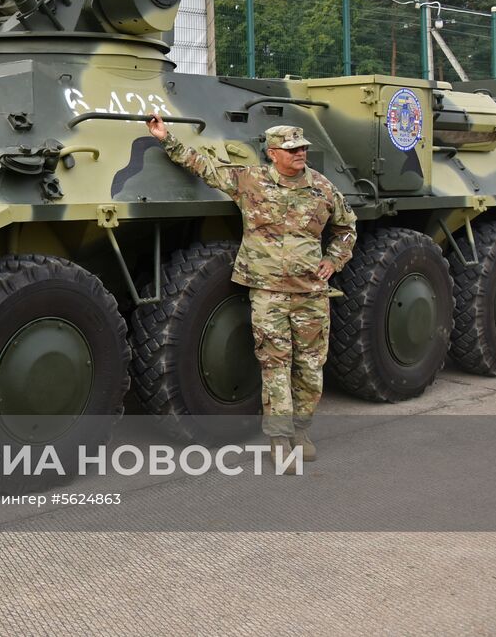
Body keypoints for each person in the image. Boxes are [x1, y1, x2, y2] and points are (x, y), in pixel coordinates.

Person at [145, 117, 356, 460]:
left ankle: (301, 432)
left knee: (311, 366)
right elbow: (204, 166)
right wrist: (167, 138)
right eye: (291, 149)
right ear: (273, 154)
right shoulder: (250, 181)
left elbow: (347, 228)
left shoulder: (323, 188)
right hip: (267, 293)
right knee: (274, 365)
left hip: (311, 294)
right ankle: (278, 439)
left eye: (302, 147)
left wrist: (335, 260)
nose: (300, 153)